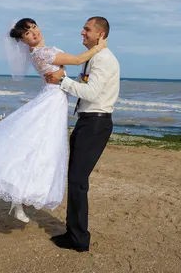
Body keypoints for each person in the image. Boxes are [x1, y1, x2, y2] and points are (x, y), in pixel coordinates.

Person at [0, 18, 107, 224]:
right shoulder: (43, 52)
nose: (34, 33)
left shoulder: (40, 52)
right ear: (23, 41)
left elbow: (66, 70)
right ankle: (19, 197)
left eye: (34, 28)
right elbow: (78, 60)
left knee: (38, 150)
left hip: (55, 100)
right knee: (39, 149)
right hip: (52, 103)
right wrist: (99, 47)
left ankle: (20, 198)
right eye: (27, 33)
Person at [44, 16, 120, 253]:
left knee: (77, 181)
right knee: (76, 180)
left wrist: (64, 80)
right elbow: (79, 86)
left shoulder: (104, 60)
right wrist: (60, 81)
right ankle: (74, 232)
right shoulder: (92, 59)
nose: (82, 32)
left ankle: (79, 239)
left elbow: (91, 93)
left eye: (87, 29)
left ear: (101, 34)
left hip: (96, 125)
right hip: (87, 122)